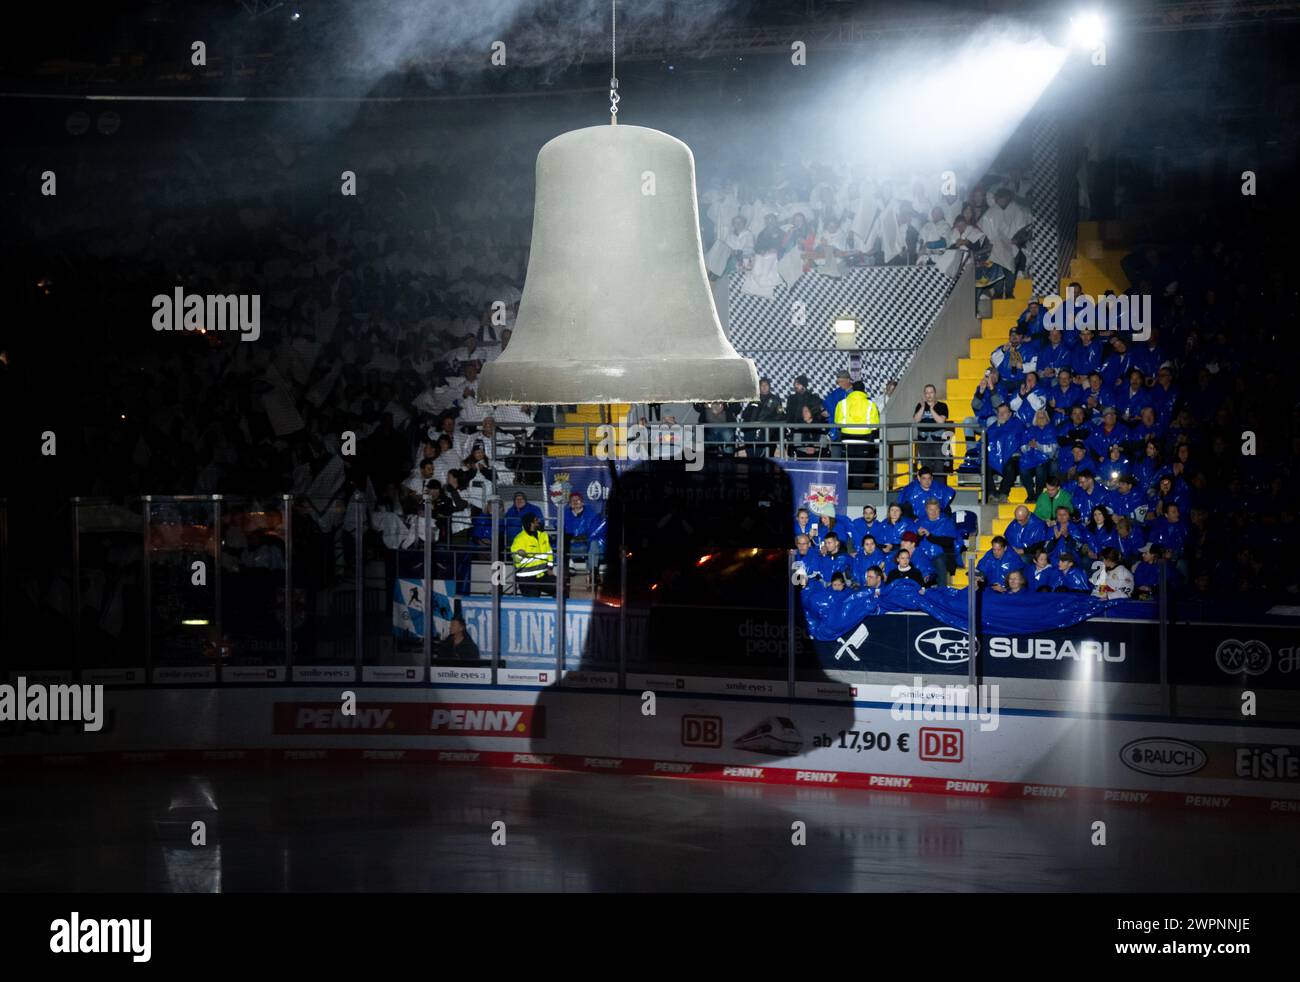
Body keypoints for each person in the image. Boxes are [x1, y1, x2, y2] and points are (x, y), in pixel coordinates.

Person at [835, 380, 881, 489]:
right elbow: (875, 426)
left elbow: (837, 422)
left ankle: (846, 492)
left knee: (847, 468)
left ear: (853, 389)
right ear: (864, 391)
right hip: (863, 440)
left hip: (846, 440)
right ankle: (856, 492)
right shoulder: (871, 404)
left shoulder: (842, 403)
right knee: (859, 470)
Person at [511, 513, 555, 597]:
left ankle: (557, 609)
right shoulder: (519, 539)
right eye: (536, 520)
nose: (538, 522)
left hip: (542, 575)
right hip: (526, 578)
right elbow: (515, 559)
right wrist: (519, 554)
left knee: (560, 588)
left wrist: (550, 567)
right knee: (533, 602)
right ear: (530, 523)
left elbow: (549, 552)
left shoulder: (543, 535)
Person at [912, 384, 950, 473]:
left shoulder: (942, 406)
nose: (929, 395)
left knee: (939, 468)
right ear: (924, 394)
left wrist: (932, 409)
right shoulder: (920, 406)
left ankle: (938, 487)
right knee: (925, 469)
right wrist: (922, 407)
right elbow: (916, 420)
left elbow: (941, 421)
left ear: (935, 393)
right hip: (923, 441)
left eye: (931, 392)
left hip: (938, 441)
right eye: (927, 393)